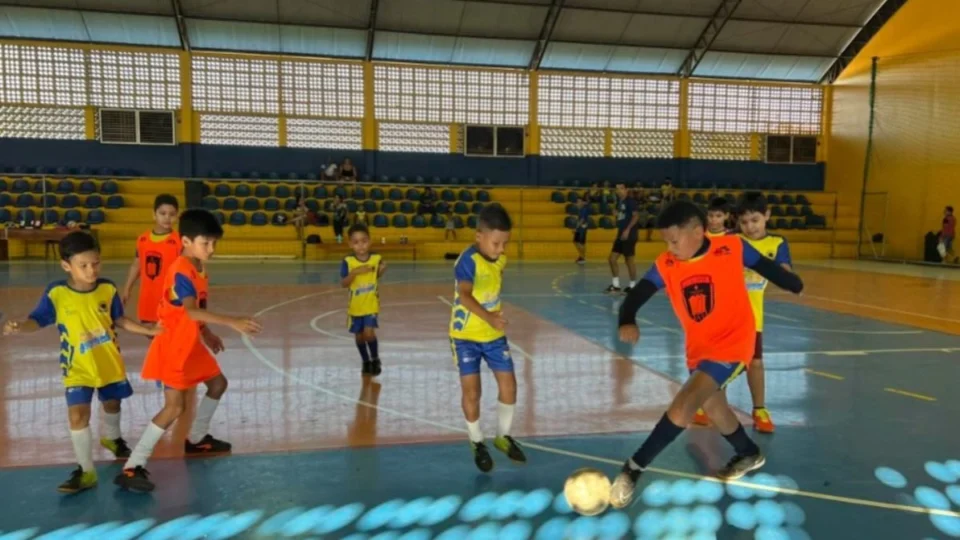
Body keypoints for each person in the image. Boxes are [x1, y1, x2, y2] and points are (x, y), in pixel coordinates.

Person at [608, 200, 803, 508]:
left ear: (698, 232)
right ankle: (749, 452)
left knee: (686, 402)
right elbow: (639, 293)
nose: (670, 248)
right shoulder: (666, 264)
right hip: (699, 348)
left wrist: (793, 283)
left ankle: (634, 467)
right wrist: (627, 318)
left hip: (734, 343)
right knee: (714, 408)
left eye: (675, 241)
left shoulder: (732, 247)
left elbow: (764, 267)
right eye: (666, 242)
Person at [114, 209, 262, 493]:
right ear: (185, 241)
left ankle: (196, 439)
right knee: (175, 407)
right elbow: (191, 311)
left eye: (214, 243)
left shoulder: (199, 268)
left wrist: (207, 333)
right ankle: (133, 466)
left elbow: (195, 312)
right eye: (206, 243)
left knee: (218, 384)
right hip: (173, 346)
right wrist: (232, 321)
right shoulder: (181, 270)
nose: (212, 248)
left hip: (190, 343)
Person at [3, 231, 159, 493]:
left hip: (108, 361)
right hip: (77, 367)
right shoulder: (56, 293)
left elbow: (119, 319)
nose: (91, 270)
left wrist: (148, 330)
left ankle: (112, 438)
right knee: (78, 414)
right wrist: (20, 326)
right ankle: (86, 471)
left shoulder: (107, 289)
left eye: (95, 263)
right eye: (83, 265)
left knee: (112, 403)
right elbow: (37, 320)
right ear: (66, 266)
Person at [450, 204, 525, 472]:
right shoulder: (467, 261)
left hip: (493, 336)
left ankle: (503, 436)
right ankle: (476, 441)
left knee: (510, 386)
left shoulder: (500, 260)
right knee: (473, 392)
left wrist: (495, 317)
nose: (501, 249)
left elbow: (493, 287)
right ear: (478, 236)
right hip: (465, 336)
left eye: (505, 244)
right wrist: (489, 317)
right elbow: (465, 296)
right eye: (496, 243)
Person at [729, 192, 792, 433]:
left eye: (755, 220)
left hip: (753, 316)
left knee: (755, 363)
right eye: (744, 222)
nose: (750, 227)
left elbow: (785, 272)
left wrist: (788, 279)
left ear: (767, 215)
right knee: (719, 362)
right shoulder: (732, 240)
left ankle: (759, 409)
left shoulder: (776, 243)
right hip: (725, 315)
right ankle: (708, 404)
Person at [121, 194, 182, 324]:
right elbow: (137, 265)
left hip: (170, 298)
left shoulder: (179, 241)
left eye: (172, 214)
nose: (167, 218)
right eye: (163, 213)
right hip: (148, 297)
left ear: (177, 216)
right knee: (148, 330)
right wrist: (127, 288)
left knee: (168, 332)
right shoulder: (142, 239)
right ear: (154, 215)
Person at [341, 223, 387, 376]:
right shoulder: (348, 261)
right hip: (355, 306)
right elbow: (344, 283)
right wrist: (354, 273)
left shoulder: (376, 258)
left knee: (369, 333)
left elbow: (375, 276)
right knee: (360, 336)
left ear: (370, 241)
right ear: (350, 244)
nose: (361, 245)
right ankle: (365, 361)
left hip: (371, 304)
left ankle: (375, 358)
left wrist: (381, 271)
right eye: (356, 242)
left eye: (364, 241)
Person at [606, 183, 640, 293]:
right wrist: (616, 214)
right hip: (620, 233)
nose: (618, 191)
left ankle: (633, 286)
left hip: (629, 233)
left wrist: (627, 230)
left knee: (629, 260)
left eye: (621, 188)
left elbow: (636, 216)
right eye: (617, 189)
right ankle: (616, 285)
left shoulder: (630, 201)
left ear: (626, 190)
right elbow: (621, 217)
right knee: (612, 259)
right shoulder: (619, 202)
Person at [573, 197, 589, 264]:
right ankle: (581, 256)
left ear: (582, 202)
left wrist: (576, 228)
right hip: (580, 228)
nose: (578, 203)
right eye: (577, 202)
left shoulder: (584, 209)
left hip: (582, 229)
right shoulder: (580, 210)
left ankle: (583, 258)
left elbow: (582, 220)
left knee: (580, 243)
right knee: (576, 242)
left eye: (579, 201)